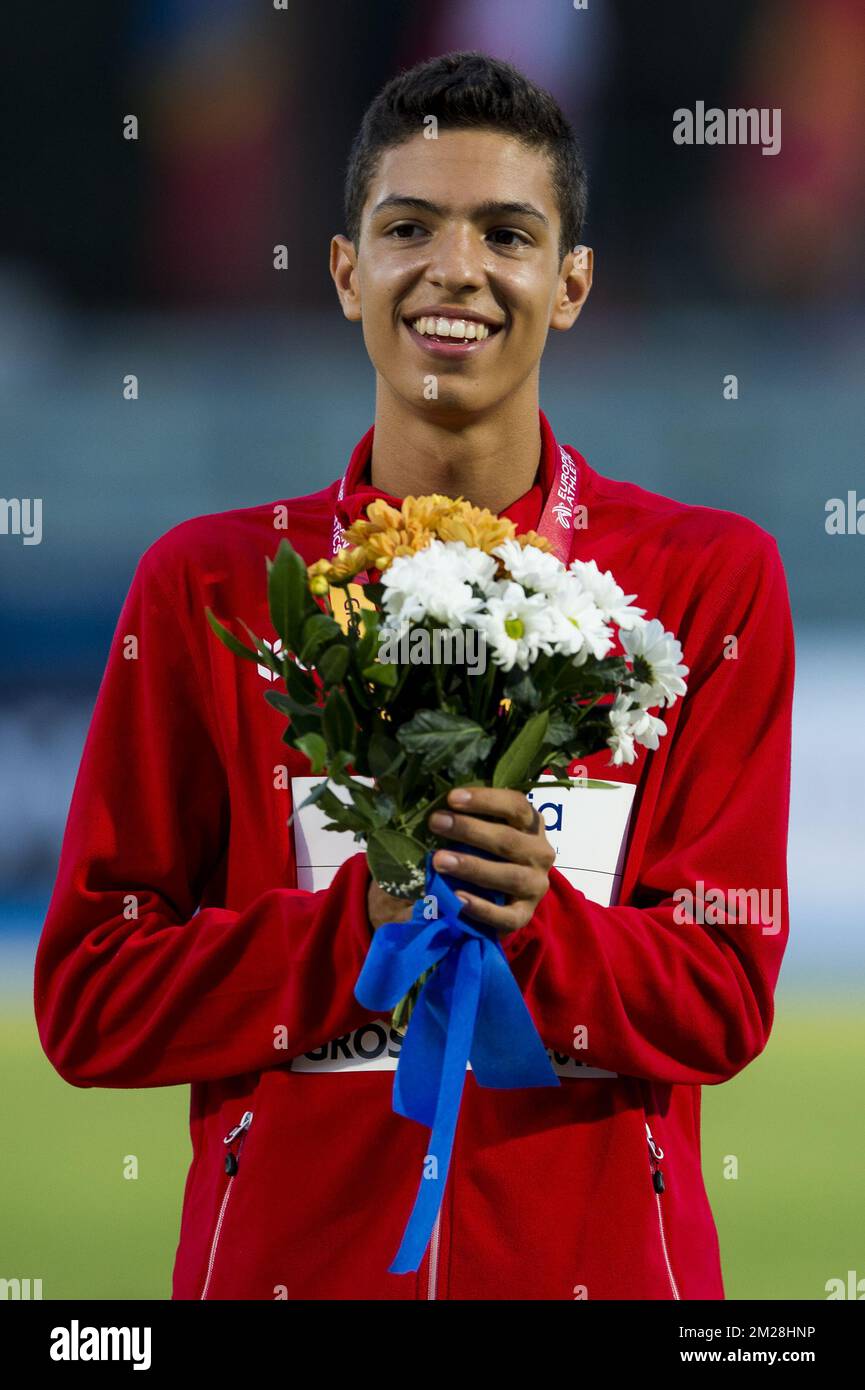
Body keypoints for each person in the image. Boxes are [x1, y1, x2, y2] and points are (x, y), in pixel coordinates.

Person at [34, 50, 794, 1300]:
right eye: (408, 228)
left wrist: (543, 926)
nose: (456, 270)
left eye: (507, 234)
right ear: (346, 271)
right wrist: (353, 929)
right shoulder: (212, 589)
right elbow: (89, 1000)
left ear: (571, 282)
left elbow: (721, 998)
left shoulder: (707, 580)